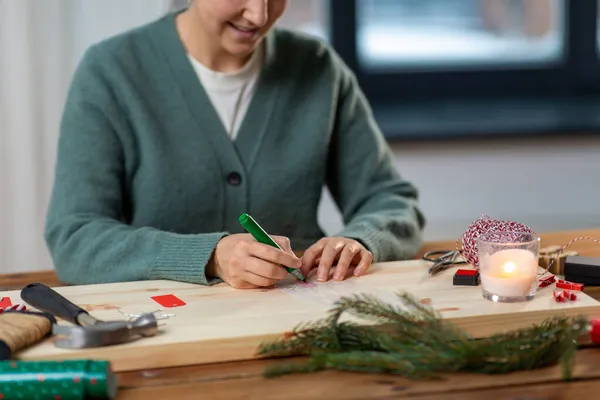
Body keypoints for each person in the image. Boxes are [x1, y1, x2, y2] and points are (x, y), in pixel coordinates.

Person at [45, 0, 426, 289]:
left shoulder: (318, 68)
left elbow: (391, 202)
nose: (259, 15)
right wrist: (209, 256)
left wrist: (360, 241)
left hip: (305, 320)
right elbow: (75, 236)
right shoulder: (111, 72)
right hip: (163, 331)